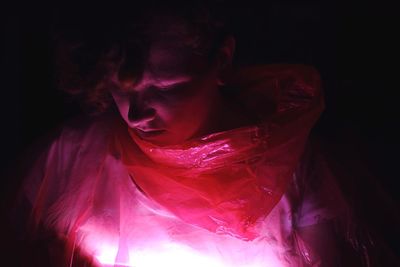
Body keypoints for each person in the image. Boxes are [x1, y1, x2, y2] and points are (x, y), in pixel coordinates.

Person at [7, 1, 380, 266]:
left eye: (166, 88)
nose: (136, 113)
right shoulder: (72, 156)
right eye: (122, 88)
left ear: (221, 61)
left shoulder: (292, 165)